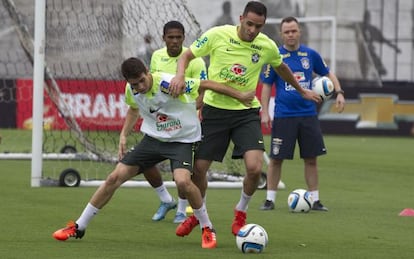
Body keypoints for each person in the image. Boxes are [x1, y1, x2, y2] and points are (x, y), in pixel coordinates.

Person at [52, 57, 254, 249]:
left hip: (182, 141)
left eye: (141, 81)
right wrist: (123, 134)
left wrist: (241, 96)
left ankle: (207, 227)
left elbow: (207, 84)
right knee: (114, 177)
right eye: (134, 84)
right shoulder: (131, 90)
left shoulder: (169, 83)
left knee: (183, 182)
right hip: (152, 140)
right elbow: (133, 109)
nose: (139, 87)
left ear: (147, 72)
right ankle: (79, 226)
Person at [169, 1, 321, 237]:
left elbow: (281, 69)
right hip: (215, 111)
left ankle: (240, 212)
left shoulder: (266, 46)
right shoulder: (217, 35)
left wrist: (302, 90)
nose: (252, 30)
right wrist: (179, 76)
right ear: (241, 19)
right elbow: (186, 56)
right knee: (198, 170)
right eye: (249, 24)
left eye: (258, 26)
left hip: (246, 113)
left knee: (254, 168)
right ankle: (198, 217)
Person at [259, 16, 345, 211]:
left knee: (311, 158)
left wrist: (339, 92)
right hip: (283, 115)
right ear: (281, 34)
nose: (290, 34)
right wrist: (264, 112)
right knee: (276, 158)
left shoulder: (310, 54)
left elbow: (328, 74)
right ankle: (269, 199)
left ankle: (315, 200)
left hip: (308, 115)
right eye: (287, 31)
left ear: (299, 32)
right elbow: (266, 86)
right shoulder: (275, 56)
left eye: (293, 31)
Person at [144, 20, 209, 224]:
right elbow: (152, 87)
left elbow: (202, 92)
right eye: (170, 37)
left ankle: (182, 210)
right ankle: (165, 199)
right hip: (161, 121)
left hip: (185, 125)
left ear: (183, 38)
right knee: (143, 162)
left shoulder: (195, 60)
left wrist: (190, 111)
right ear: (163, 38)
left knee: (181, 171)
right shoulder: (157, 56)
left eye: (178, 37)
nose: (174, 41)